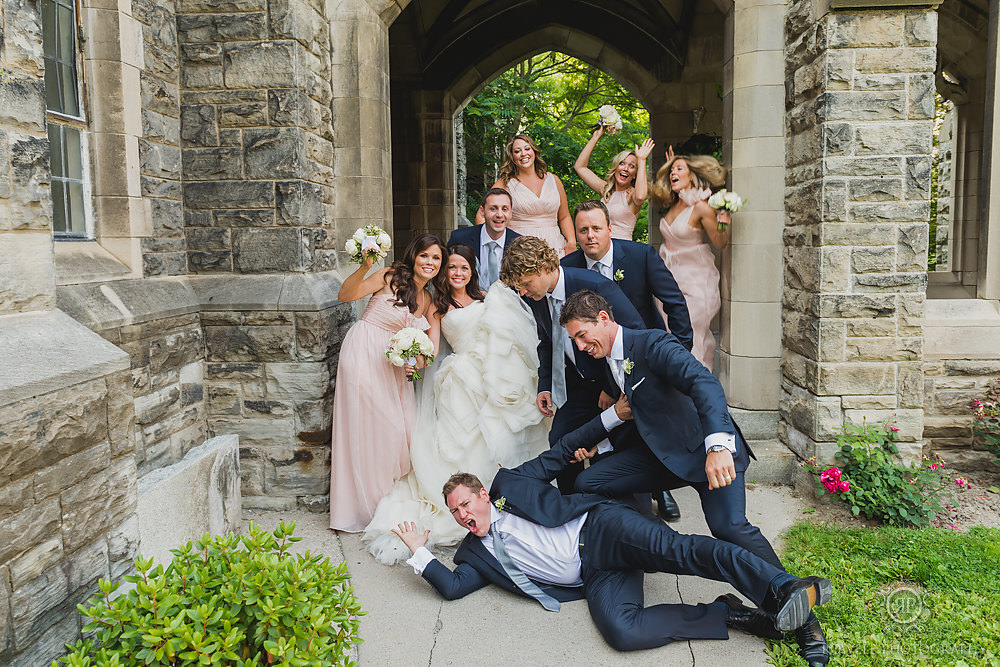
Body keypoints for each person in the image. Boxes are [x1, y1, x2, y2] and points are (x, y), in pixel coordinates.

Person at [561, 290, 830, 666]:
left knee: (730, 527)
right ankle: (637, 541)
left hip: (708, 454)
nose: (579, 345)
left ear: (603, 320)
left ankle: (802, 617)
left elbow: (704, 384)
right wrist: (598, 443)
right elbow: (642, 410)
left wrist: (718, 446)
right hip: (665, 456)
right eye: (574, 339)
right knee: (591, 483)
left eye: (581, 335)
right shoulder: (609, 357)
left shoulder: (652, 343)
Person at [390, 424, 832, 653]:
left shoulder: (511, 484)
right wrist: (419, 551)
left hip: (601, 528)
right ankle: (736, 616)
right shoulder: (473, 555)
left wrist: (610, 418)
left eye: (467, 503)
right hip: (595, 573)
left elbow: (559, 454)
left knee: (682, 552)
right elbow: (451, 588)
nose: (464, 514)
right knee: (623, 632)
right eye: (456, 512)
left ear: (483, 494)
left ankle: (783, 586)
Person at [361, 244, 548, 563]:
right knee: (464, 438)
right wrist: (415, 362)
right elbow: (432, 348)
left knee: (503, 433)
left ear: (472, 270)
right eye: (452, 267)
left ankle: (502, 497)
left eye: (464, 267)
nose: (458, 272)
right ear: (445, 272)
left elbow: (509, 334)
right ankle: (466, 499)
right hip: (461, 376)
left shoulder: (488, 297)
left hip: (494, 373)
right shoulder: (437, 305)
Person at [562, 198, 693, 521]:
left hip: (643, 361)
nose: (590, 235)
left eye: (596, 228)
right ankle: (589, 507)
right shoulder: (570, 267)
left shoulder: (639, 255)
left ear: (610, 228)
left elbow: (675, 304)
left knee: (647, 425)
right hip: (594, 367)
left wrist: (674, 354)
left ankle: (660, 489)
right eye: (583, 230)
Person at [499, 235, 644, 493]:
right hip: (577, 384)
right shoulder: (537, 296)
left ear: (545, 268)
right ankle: (570, 504)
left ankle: (626, 508)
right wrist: (544, 385)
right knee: (560, 441)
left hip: (613, 384)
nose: (522, 292)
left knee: (609, 450)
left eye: (525, 284)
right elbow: (546, 339)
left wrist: (611, 389)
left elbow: (632, 334)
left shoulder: (597, 286)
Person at [329, 233, 445, 533]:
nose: (429, 262)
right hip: (365, 353)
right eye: (425, 256)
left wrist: (416, 365)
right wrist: (364, 267)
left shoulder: (427, 299)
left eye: (436, 258)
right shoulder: (389, 276)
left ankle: (383, 501)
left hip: (395, 368)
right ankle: (360, 508)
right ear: (413, 256)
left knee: (400, 433)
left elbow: (429, 347)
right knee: (369, 430)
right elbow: (346, 295)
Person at [649, 152, 730, 370]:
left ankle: (698, 388)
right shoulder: (674, 205)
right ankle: (675, 389)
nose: (674, 172)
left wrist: (723, 220)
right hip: (671, 281)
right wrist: (672, 164)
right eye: (672, 170)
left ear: (692, 176)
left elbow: (720, 242)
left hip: (696, 280)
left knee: (694, 332)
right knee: (670, 332)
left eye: (680, 169)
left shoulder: (701, 207)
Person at [477, 134, 575, 257]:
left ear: (534, 151)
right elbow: (482, 215)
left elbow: (564, 216)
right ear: (512, 157)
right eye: (517, 151)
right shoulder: (505, 183)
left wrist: (571, 241)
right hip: (521, 248)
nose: (523, 154)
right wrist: (494, 243)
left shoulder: (553, 180)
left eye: (527, 149)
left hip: (555, 246)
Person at [573, 126, 655, 240]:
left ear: (635, 174)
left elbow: (641, 197)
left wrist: (641, 160)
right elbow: (580, 167)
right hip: (601, 246)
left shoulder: (632, 194)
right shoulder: (606, 189)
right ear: (616, 167)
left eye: (631, 166)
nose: (626, 168)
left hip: (622, 247)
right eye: (622, 163)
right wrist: (596, 137)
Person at [448, 188, 520, 289]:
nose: (499, 215)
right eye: (493, 209)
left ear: (511, 213)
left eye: (504, 209)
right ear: (482, 211)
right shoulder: (460, 239)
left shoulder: (519, 245)